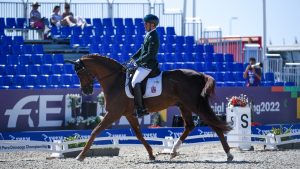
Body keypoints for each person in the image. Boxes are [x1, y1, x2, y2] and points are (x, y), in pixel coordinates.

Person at [130, 14, 160, 118]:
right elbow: (142, 49)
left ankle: (141, 108)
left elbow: (150, 54)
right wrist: (133, 58)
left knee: (135, 82)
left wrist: (138, 62)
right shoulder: (148, 34)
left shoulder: (154, 36)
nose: (144, 25)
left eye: (146, 23)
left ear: (152, 25)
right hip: (144, 63)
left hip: (149, 65)